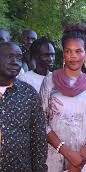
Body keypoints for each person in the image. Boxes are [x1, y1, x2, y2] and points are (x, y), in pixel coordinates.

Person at [40, 24, 86, 172]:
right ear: (63, 54)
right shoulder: (49, 82)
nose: (73, 56)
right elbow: (41, 121)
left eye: (78, 51)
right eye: (68, 51)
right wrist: (68, 153)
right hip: (55, 158)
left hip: (85, 160)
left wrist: (81, 155)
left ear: (85, 53)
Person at [0, 42, 47, 171]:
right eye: (10, 56)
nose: (15, 62)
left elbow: (39, 139)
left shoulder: (29, 93)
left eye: (19, 58)